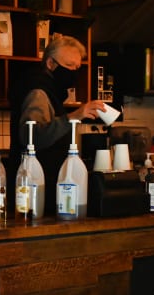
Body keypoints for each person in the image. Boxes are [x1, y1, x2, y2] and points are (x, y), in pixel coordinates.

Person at [7, 35, 106, 216]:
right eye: (69, 66)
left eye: (77, 68)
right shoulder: (38, 91)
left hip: (42, 188)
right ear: (51, 63)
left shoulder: (50, 90)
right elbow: (32, 136)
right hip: (35, 189)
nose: (73, 73)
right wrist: (74, 116)